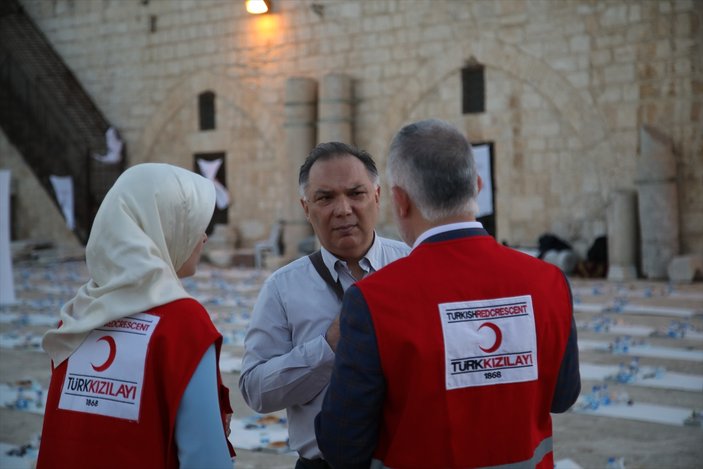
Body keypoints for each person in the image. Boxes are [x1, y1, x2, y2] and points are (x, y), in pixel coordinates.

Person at [315, 119, 581, 468]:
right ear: (478, 186)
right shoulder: (549, 282)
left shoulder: (374, 301)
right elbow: (562, 397)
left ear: (399, 200)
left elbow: (341, 445)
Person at [37, 163, 235, 468]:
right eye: (191, 223)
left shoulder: (76, 316)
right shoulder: (184, 324)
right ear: (160, 227)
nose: (204, 237)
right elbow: (207, 459)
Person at [238, 142, 409, 468]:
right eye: (325, 198)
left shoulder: (413, 266)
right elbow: (255, 390)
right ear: (306, 208)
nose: (343, 209)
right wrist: (328, 347)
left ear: (377, 196)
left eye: (355, 193)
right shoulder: (282, 288)